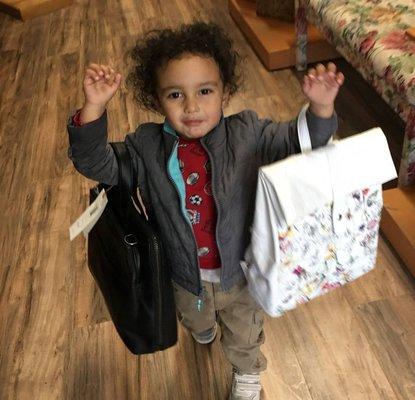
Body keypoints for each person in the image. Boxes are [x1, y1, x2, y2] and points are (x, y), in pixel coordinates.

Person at [67, 22, 344, 400]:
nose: (193, 107)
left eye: (205, 91)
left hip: (240, 273)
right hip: (184, 275)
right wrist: (94, 107)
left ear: (225, 91)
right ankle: (202, 326)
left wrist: (320, 107)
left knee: (244, 331)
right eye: (176, 94)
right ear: (157, 99)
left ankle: (247, 373)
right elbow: (95, 163)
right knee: (195, 319)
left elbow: (295, 141)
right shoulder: (146, 146)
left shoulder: (247, 133)